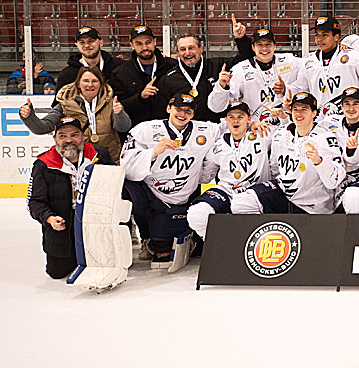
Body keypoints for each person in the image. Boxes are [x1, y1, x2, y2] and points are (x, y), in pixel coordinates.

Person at [120, 93, 217, 267]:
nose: (182, 114)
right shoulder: (145, 129)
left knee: (168, 250)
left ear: (193, 114)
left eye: (188, 111)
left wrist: (253, 124)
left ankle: (185, 234)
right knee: (161, 252)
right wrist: (153, 152)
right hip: (153, 194)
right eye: (178, 109)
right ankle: (146, 235)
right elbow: (125, 165)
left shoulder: (207, 130)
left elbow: (233, 125)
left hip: (186, 193)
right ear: (168, 108)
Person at [26, 117, 115, 279]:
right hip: (63, 225)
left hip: (96, 221)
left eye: (74, 135)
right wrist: (49, 218)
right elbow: (35, 201)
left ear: (83, 136)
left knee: (102, 265)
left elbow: (116, 188)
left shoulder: (100, 156)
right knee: (57, 272)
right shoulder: (43, 164)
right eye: (62, 136)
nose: (69, 140)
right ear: (55, 138)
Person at [230, 91, 346, 216]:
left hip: (313, 205)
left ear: (314, 113)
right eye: (295, 109)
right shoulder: (280, 134)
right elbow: (274, 169)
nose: (299, 113)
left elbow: (334, 182)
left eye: (304, 109)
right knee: (241, 203)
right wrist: (252, 124)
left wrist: (320, 162)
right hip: (284, 195)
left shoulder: (325, 137)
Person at [187, 100, 272, 240]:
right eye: (231, 117)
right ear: (226, 120)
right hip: (227, 191)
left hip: (254, 191)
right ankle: (219, 245)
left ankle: (248, 245)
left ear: (249, 119)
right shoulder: (217, 146)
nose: (235, 120)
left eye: (240, 117)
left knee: (242, 206)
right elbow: (206, 177)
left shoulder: (262, 134)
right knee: (197, 214)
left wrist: (282, 117)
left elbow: (289, 132)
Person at [20, 66, 131, 162]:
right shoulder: (65, 104)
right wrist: (29, 117)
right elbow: (42, 127)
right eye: (86, 81)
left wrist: (119, 114)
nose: (90, 85)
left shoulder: (110, 102)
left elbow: (124, 127)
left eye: (95, 81)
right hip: (76, 162)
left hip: (107, 160)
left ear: (101, 84)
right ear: (78, 83)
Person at [154, 25, 255, 124]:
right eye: (183, 49)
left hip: (217, 129)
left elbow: (246, 59)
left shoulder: (218, 66)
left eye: (191, 48)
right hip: (187, 131)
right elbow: (161, 111)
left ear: (201, 49)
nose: (187, 53)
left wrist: (241, 39)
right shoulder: (169, 78)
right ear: (178, 53)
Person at [293, 16, 359, 120]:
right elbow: (299, 89)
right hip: (321, 122)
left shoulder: (353, 57)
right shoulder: (308, 61)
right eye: (317, 34)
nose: (319, 39)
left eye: (324, 35)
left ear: (336, 37)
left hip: (353, 121)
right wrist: (284, 91)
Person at [208, 27, 305, 125]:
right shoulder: (239, 70)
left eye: (268, 44)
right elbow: (216, 108)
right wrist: (221, 87)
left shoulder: (291, 61)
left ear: (274, 46)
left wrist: (286, 90)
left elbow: (307, 86)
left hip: (289, 124)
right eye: (259, 44)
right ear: (253, 47)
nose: (264, 48)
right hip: (256, 127)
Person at [108, 25, 175, 126]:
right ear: (131, 45)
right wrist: (140, 97)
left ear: (155, 42)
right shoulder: (120, 73)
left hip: (170, 128)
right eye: (139, 44)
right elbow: (120, 106)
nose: (145, 47)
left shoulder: (173, 66)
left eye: (148, 42)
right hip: (138, 130)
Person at [55, 26, 123, 90]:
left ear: (101, 42)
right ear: (77, 45)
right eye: (82, 42)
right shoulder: (67, 75)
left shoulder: (119, 67)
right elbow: (60, 98)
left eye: (91, 41)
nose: (87, 45)